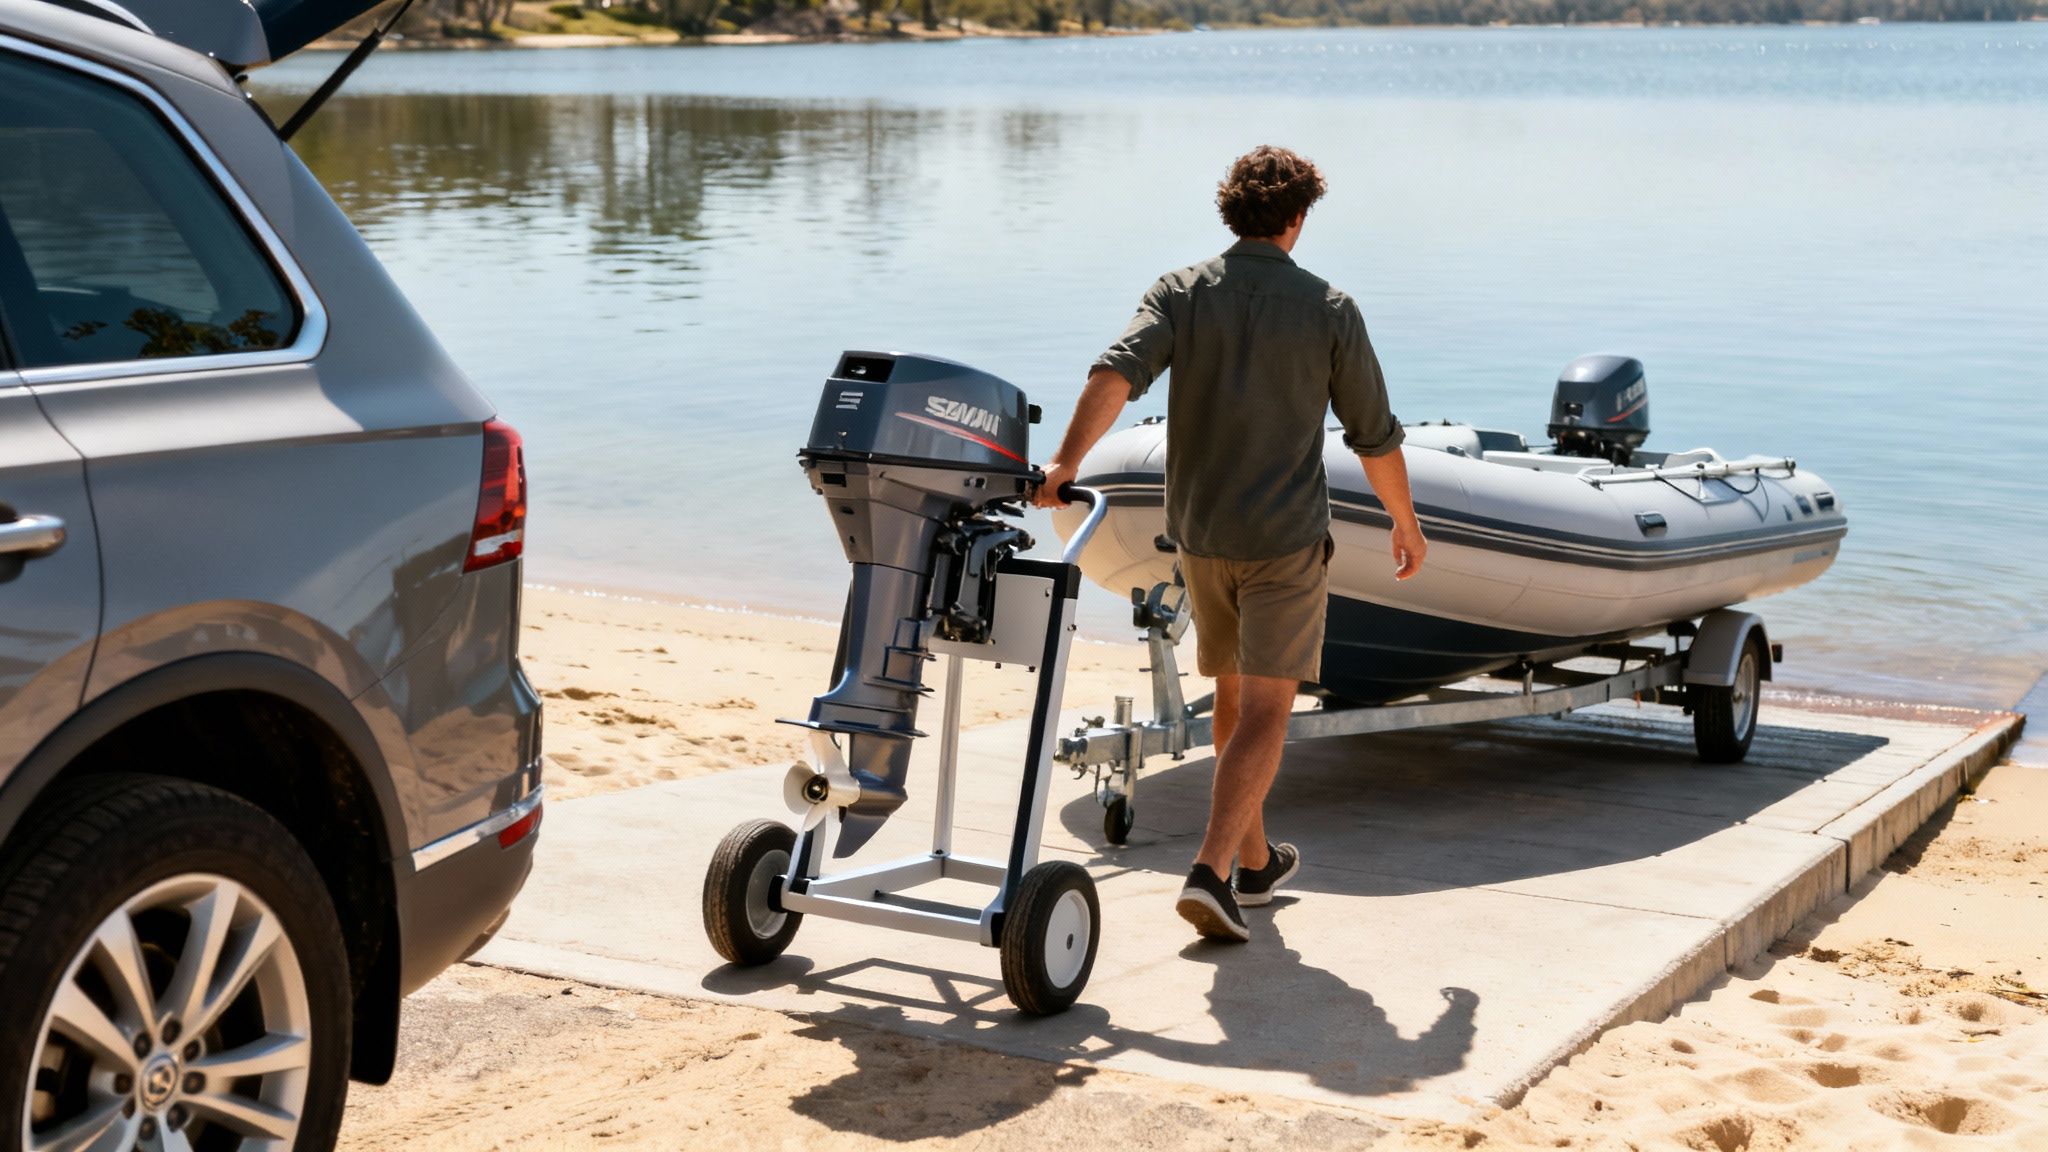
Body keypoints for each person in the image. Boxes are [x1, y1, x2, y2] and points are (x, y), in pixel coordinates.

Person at [1033, 145, 1426, 943]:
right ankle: (1211, 871)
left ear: (1231, 212)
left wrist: (1066, 463)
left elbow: (1114, 374)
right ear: (1298, 219)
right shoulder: (1328, 308)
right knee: (1269, 710)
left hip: (1202, 536)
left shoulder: (1179, 293)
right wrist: (1405, 523)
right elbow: (1375, 436)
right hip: (1284, 539)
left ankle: (1254, 863)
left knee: (1236, 700)